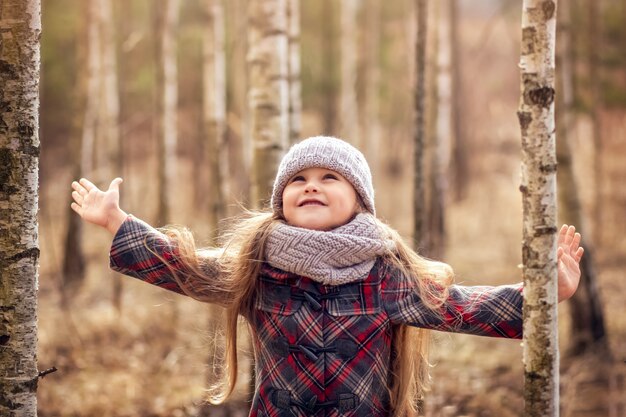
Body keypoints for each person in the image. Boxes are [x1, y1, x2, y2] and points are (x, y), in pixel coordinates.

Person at [71, 136, 583, 417]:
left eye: (328, 178)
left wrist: (545, 292)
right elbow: (185, 267)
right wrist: (118, 223)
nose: (310, 187)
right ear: (281, 201)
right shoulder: (257, 266)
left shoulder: (387, 274)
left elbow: (463, 306)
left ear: (359, 201)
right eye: (298, 179)